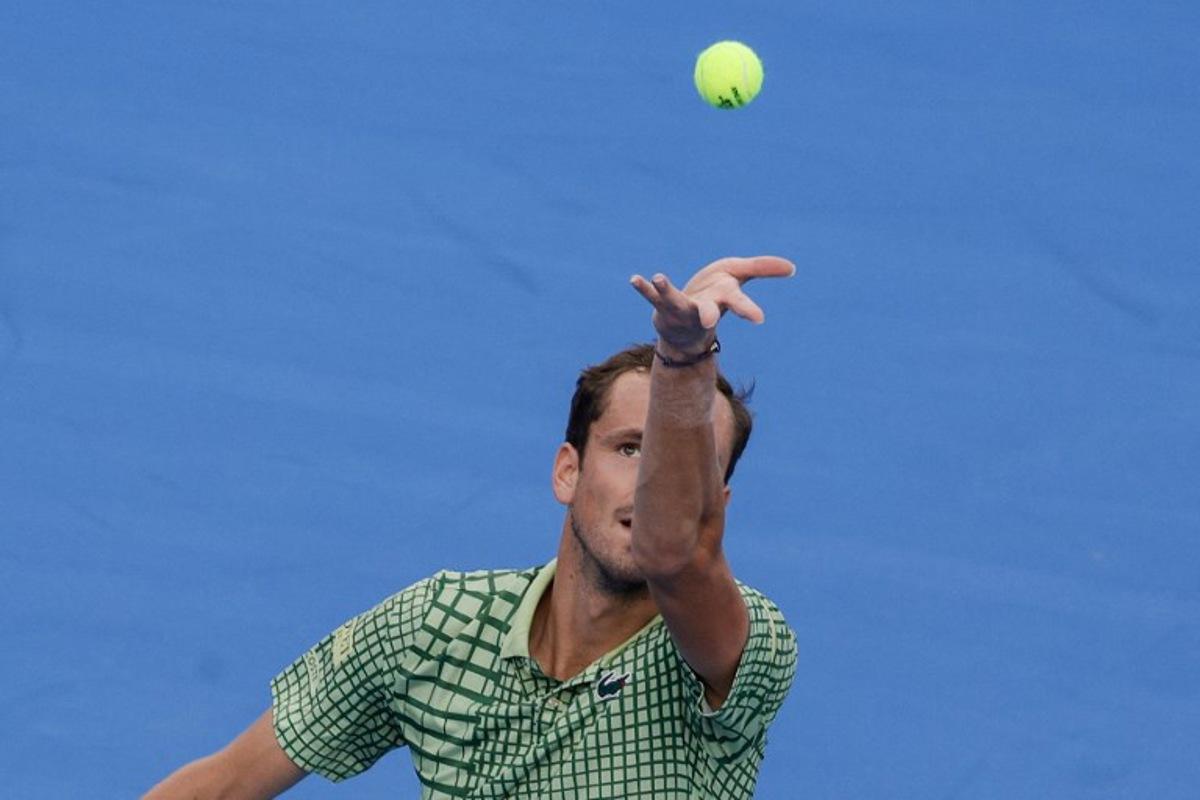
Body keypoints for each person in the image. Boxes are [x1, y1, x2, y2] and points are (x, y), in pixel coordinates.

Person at [144, 255, 799, 799]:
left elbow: (673, 551)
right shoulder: (438, 624)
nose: (650, 481)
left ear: (716, 506)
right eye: (631, 449)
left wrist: (683, 360)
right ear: (568, 471)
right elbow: (225, 786)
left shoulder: (744, 651)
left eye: (684, 466)